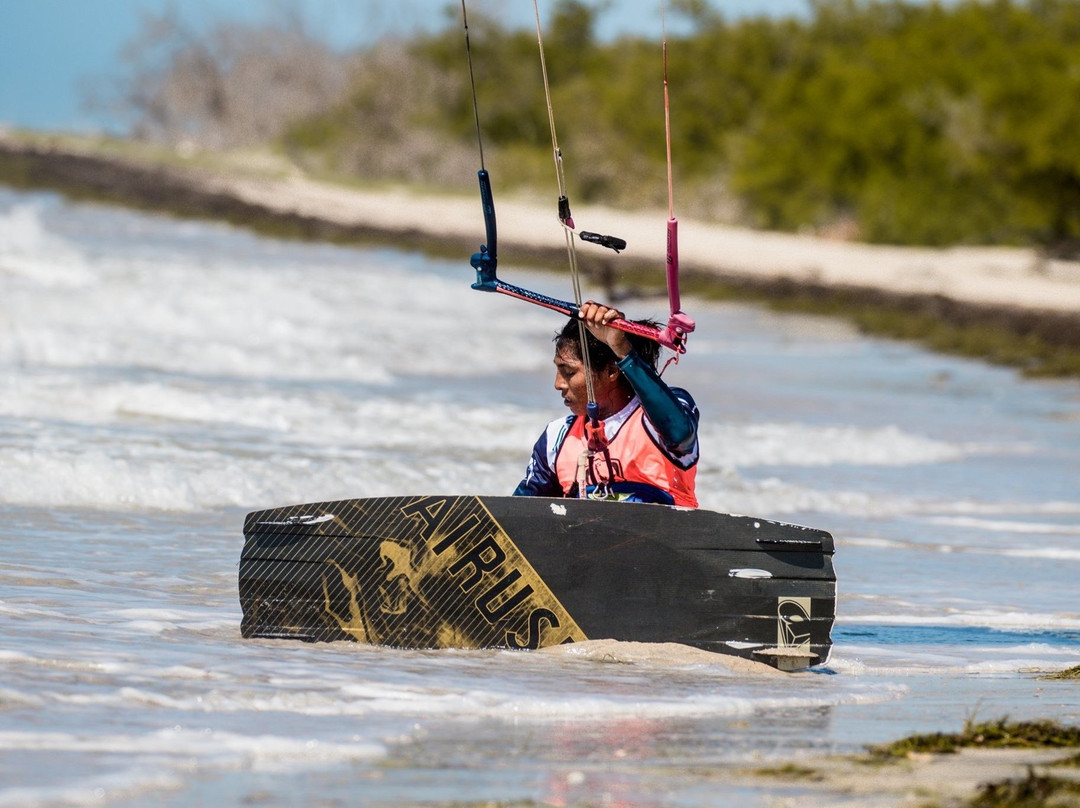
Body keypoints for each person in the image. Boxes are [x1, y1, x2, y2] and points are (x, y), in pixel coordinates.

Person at [513, 300, 699, 507]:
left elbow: (680, 433)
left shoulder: (667, 411)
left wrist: (622, 349)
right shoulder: (556, 437)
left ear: (611, 371)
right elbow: (520, 512)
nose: (558, 384)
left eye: (569, 372)